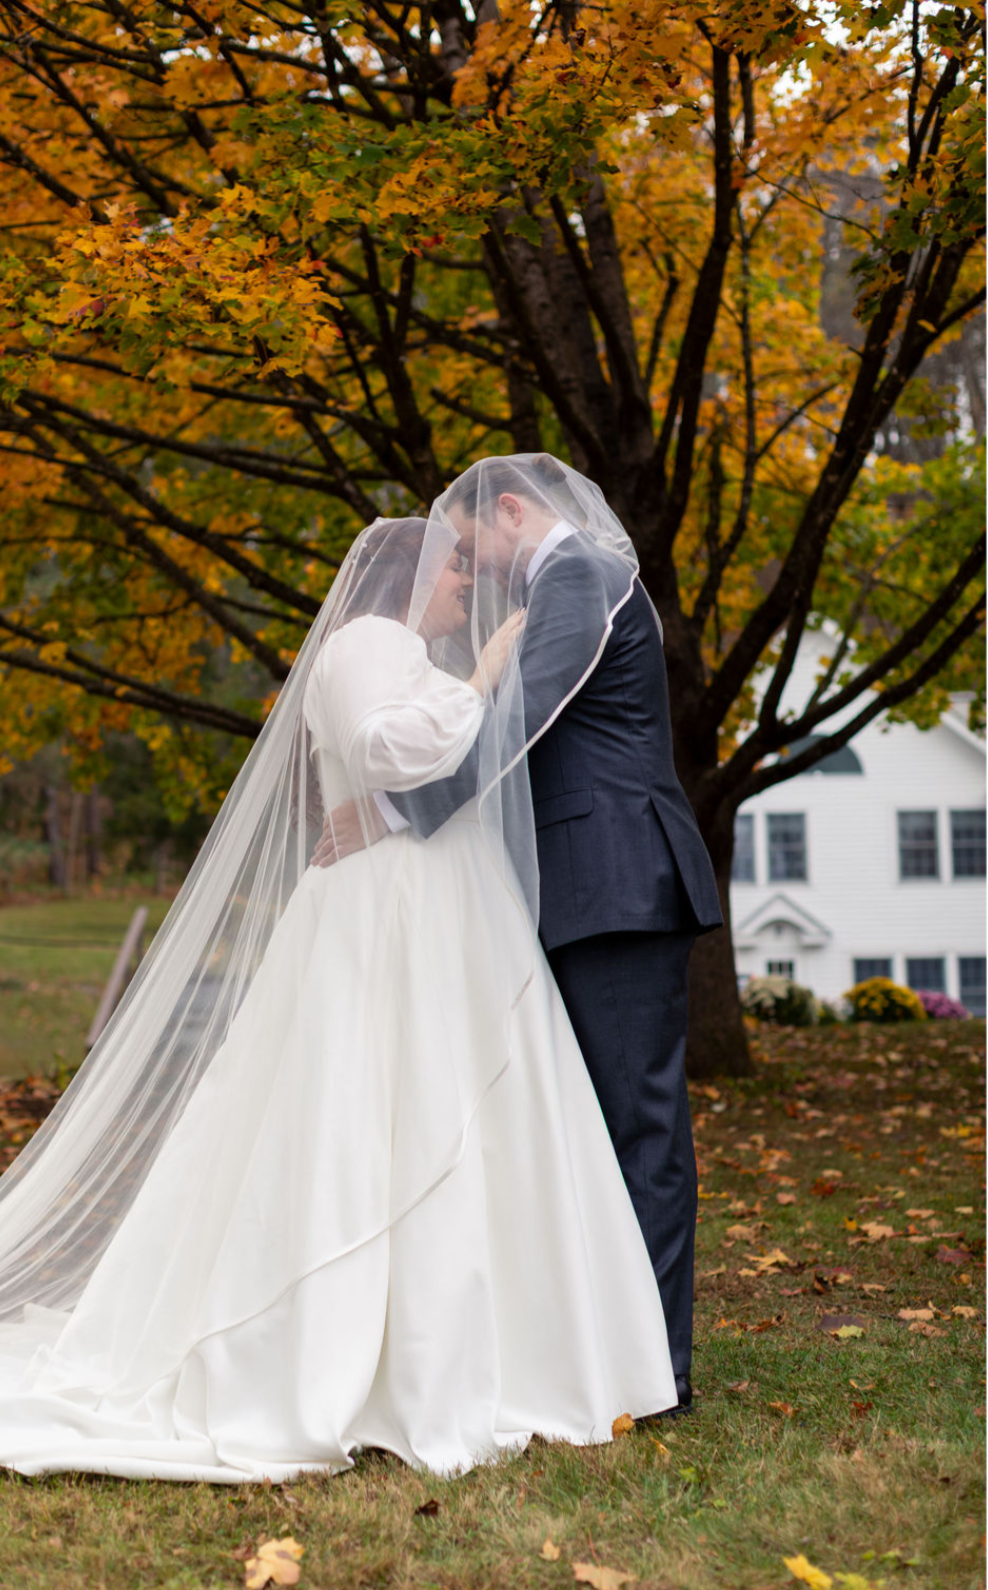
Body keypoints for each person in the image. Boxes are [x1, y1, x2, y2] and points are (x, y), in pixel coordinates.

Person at [0, 506, 676, 1483]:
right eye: (452, 570)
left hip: (439, 907)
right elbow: (390, 749)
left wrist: (466, 695)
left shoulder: (403, 652)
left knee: (462, 1113)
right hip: (388, 913)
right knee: (377, 1118)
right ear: (408, 578)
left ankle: (488, 1342)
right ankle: (364, 1354)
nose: (465, 586)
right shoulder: (367, 644)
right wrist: (485, 678)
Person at [314, 456, 724, 1413]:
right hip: (584, 885)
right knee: (593, 1128)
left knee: (638, 1128)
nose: (468, 567)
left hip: (616, 882)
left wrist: (395, 812)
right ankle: (607, 1349)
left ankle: (658, 1369)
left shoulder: (576, 575)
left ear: (509, 511)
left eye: (469, 546)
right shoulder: (563, 585)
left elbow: (519, 720)